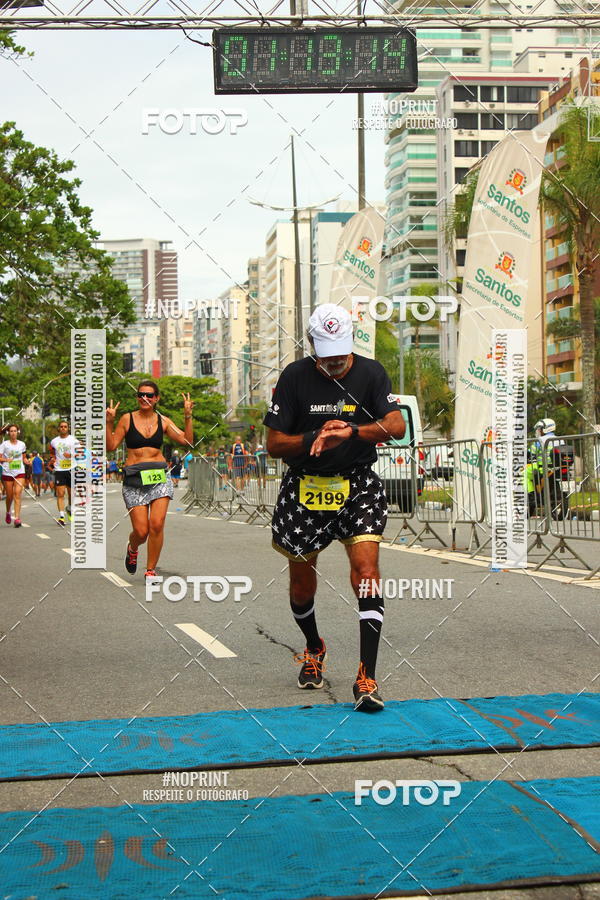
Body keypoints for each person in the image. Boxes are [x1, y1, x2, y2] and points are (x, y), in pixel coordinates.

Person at [264, 303, 405, 712]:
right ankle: (313, 646)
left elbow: (395, 426)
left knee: (366, 572)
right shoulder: (294, 377)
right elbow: (274, 443)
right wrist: (314, 438)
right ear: (311, 345)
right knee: (301, 586)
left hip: (357, 484)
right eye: (326, 357)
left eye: (341, 355)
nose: (335, 363)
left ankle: (367, 677)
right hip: (304, 487)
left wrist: (352, 433)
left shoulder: (371, 373)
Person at [106, 380, 194, 582]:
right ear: (137, 397)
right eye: (141, 394)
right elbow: (111, 446)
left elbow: (187, 441)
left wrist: (188, 417)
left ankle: (151, 570)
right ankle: (133, 547)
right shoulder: (127, 420)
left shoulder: (163, 421)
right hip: (134, 479)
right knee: (141, 531)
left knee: (157, 524)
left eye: (149, 395)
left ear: (156, 398)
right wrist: (109, 421)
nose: (145, 398)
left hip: (158, 477)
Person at [49, 420, 80, 527]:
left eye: (65, 426)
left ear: (68, 428)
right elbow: (52, 453)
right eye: (61, 426)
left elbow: (79, 453)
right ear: (58, 428)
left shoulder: (73, 440)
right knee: (60, 493)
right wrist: (52, 459)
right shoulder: (54, 441)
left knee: (71, 493)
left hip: (71, 468)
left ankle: (70, 507)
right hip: (59, 470)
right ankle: (61, 517)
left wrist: (71, 455)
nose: (63, 428)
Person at [0, 424, 27, 527]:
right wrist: (6, 460)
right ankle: (8, 512)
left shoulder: (22, 444)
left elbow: (23, 458)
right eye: (11, 431)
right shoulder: (4, 445)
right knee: (10, 496)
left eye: (15, 431)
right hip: (7, 472)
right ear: (8, 433)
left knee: (17, 493)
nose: (13, 433)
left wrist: (27, 461)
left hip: (20, 471)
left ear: (18, 432)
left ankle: (17, 518)